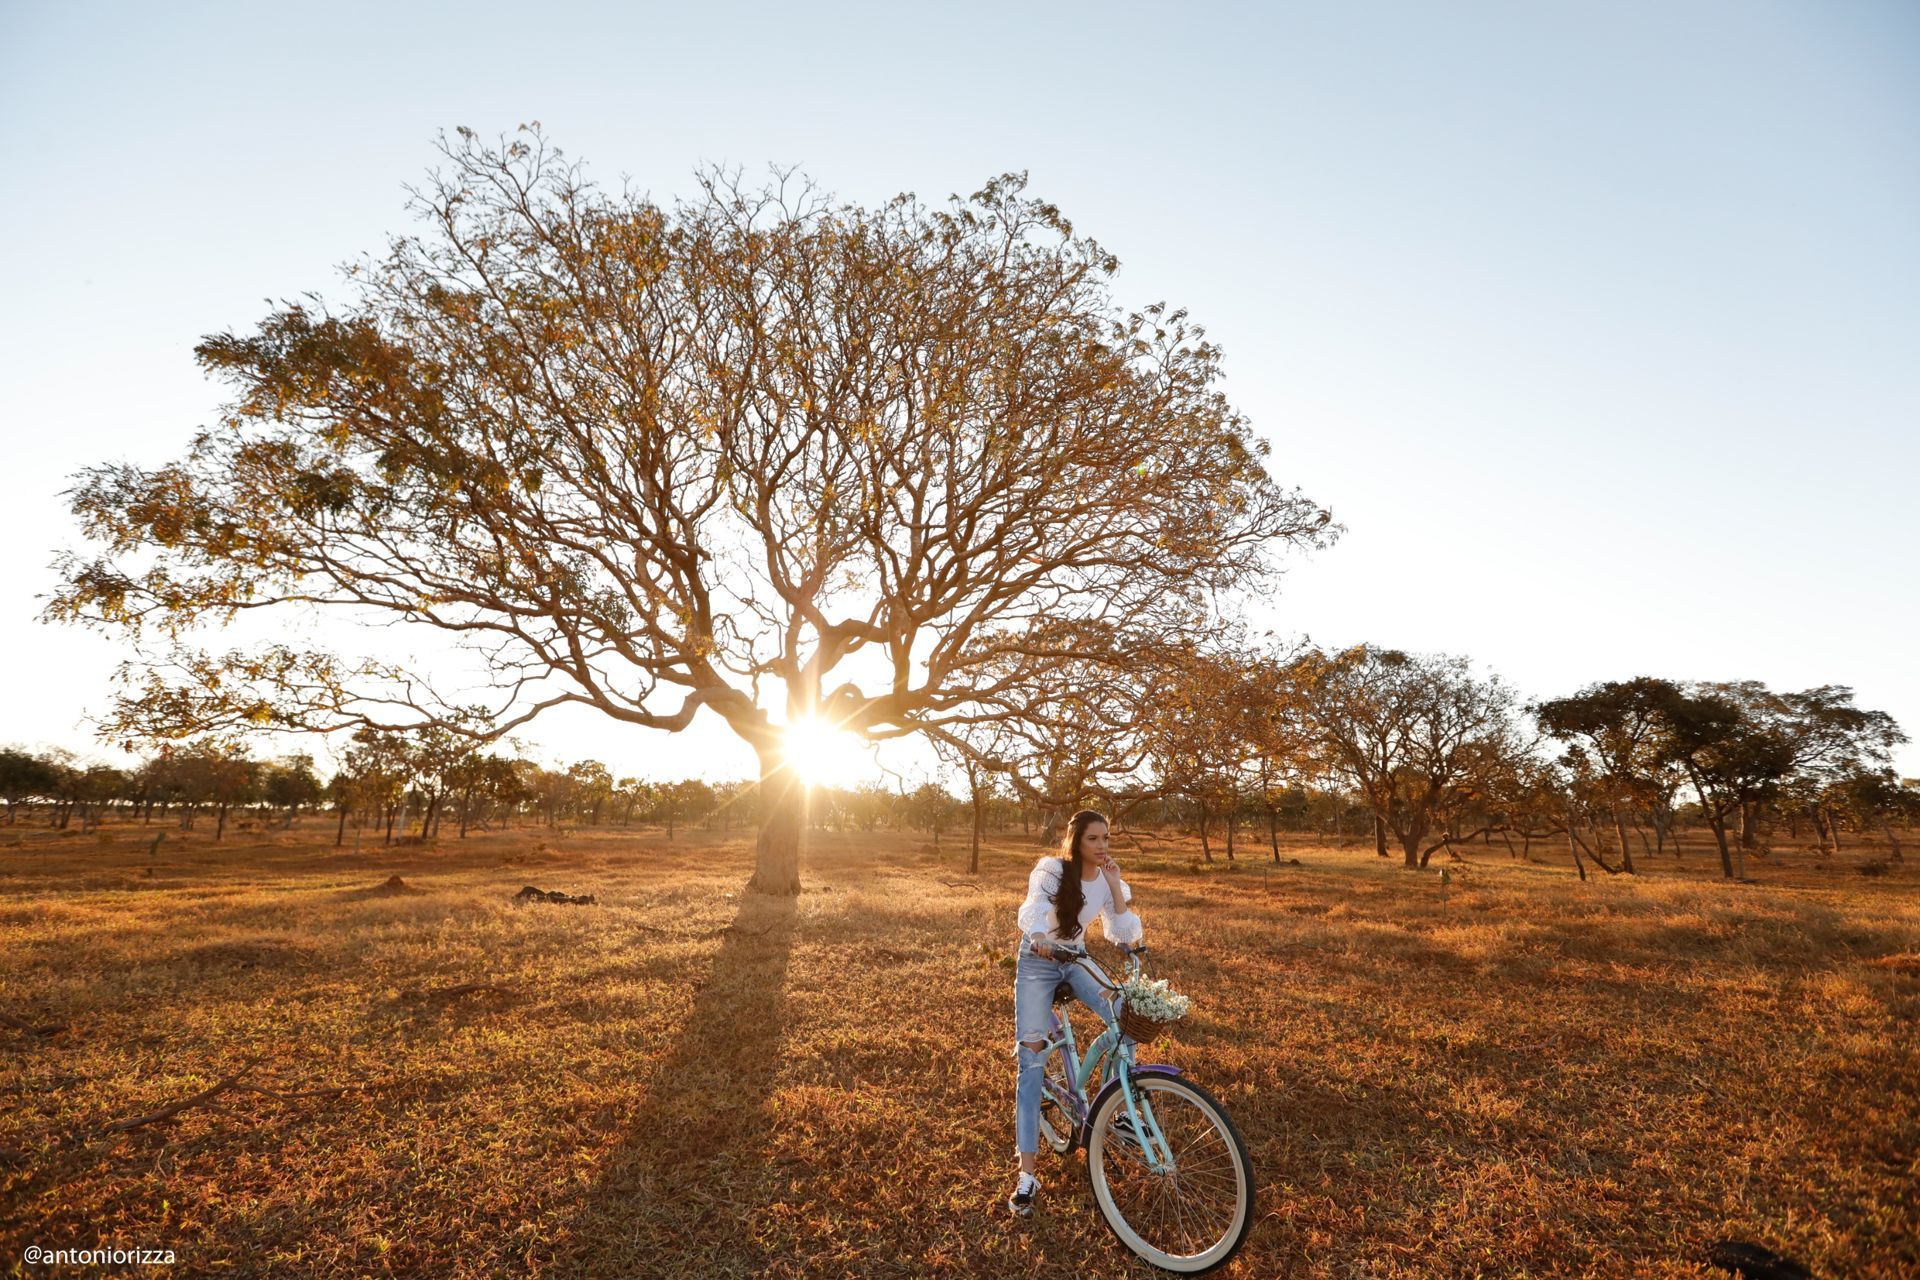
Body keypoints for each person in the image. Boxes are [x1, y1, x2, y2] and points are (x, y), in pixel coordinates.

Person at [1008, 807, 1144, 1218]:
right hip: (1038, 961)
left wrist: (1116, 885)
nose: (1102, 847)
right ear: (1076, 841)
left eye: (1106, 838)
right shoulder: (1052, 869)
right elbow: (1032, 908)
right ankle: (1027, 1174)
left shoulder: (1105, 878)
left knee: (1128, 1017)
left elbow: (1121, 932)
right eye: (1094, 839)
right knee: (1031, 1060)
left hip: (1076, 959)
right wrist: (1037, 938)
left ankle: (1115, 1110)